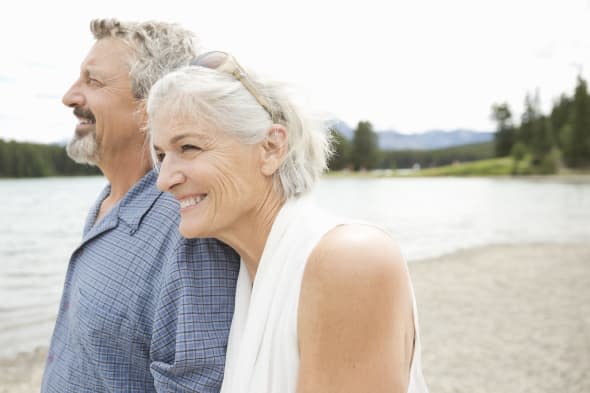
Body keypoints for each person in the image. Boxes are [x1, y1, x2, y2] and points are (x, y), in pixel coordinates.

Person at [148, 51, 428, 393]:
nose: (164, 179)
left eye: (189, 147)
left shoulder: (350, 258)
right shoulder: (245, 274)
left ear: (270, 148)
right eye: (161, 155)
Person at [41, 21, 240, 393]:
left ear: (154, 107)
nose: (70, 96)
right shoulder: (110, 200)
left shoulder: (188, 227)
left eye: (93, 81)